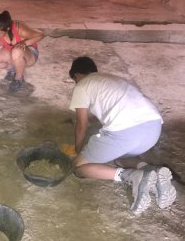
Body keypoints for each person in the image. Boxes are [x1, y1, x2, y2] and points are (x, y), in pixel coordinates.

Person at [68, 56, 176, 214]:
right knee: (119, 157)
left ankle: (131, 176)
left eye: (74, 79)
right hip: (153, 129)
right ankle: (151, 171)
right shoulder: (109, 79)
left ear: (76, 75)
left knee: (78, 167)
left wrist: (78, 151)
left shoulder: (81, 85)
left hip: (127, 132)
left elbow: (82, 125)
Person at [0, 10, 44, 93]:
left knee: (16, 51)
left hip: (30, 54)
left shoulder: (19, 28)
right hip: (13, 52)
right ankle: (13, 69)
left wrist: (24, 43)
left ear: (8, 29)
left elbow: (40, 34)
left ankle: (18, 79)